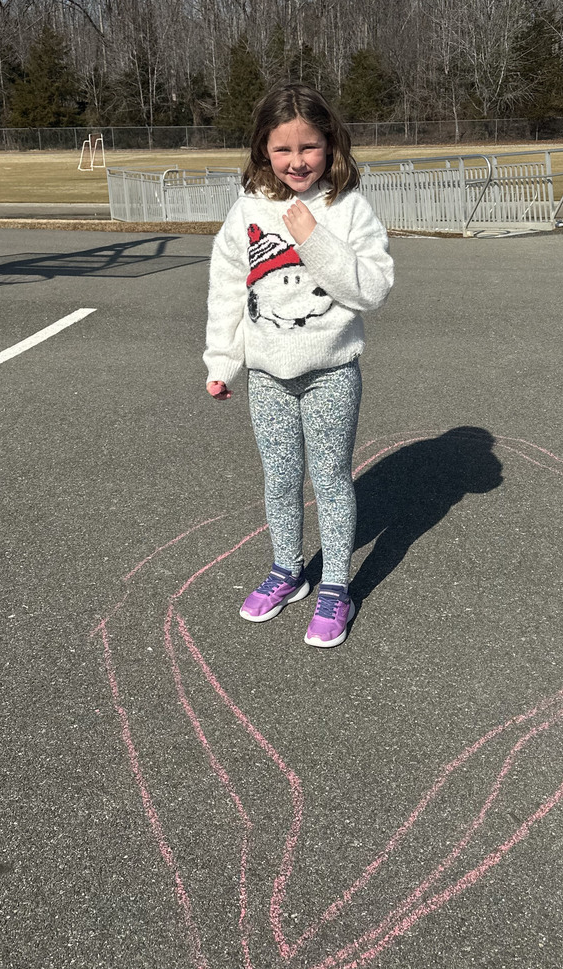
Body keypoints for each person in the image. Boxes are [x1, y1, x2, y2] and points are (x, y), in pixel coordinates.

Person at [203, 82, 394, 648]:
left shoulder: (348, 209)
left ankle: (335, 584)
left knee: (330, 478)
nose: (296, 161)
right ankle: (287, 570)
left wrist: (313, 238)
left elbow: (372, 289)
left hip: (332, 369)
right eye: (282, 149)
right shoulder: (247, 212)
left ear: (330, 145)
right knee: (281, 479)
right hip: (267, 374)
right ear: (263, 149)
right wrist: (222, 360)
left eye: (308, 147)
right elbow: (227, 291)